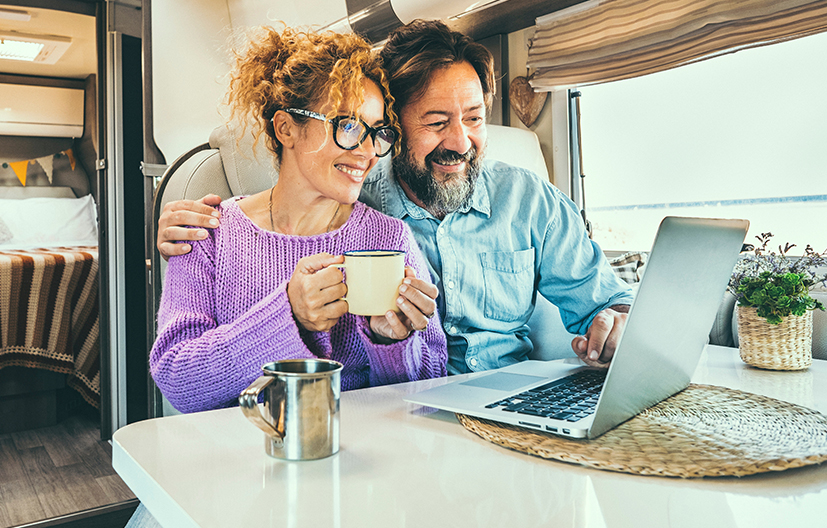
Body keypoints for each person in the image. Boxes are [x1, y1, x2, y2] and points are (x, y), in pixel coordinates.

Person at [156, 20, 633, 377]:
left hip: (495, 405)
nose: (460, 141)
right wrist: (287, 312)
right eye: (436, 122)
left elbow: (608, 303)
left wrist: (617, 325)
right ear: (398, 129)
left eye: (474, 118)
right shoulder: (223, 228)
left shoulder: (516, 202)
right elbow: (177, 375)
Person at [151, 26, 447, 415]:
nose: (367, 151)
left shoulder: (389, 238)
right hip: (242, 446)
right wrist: (289, 314)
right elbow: (178, 380)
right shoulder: (209, 233)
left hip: (364, 446)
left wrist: (391, 342)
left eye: (377, 132)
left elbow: (430, 388)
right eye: (347, 125)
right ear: (286, 128)